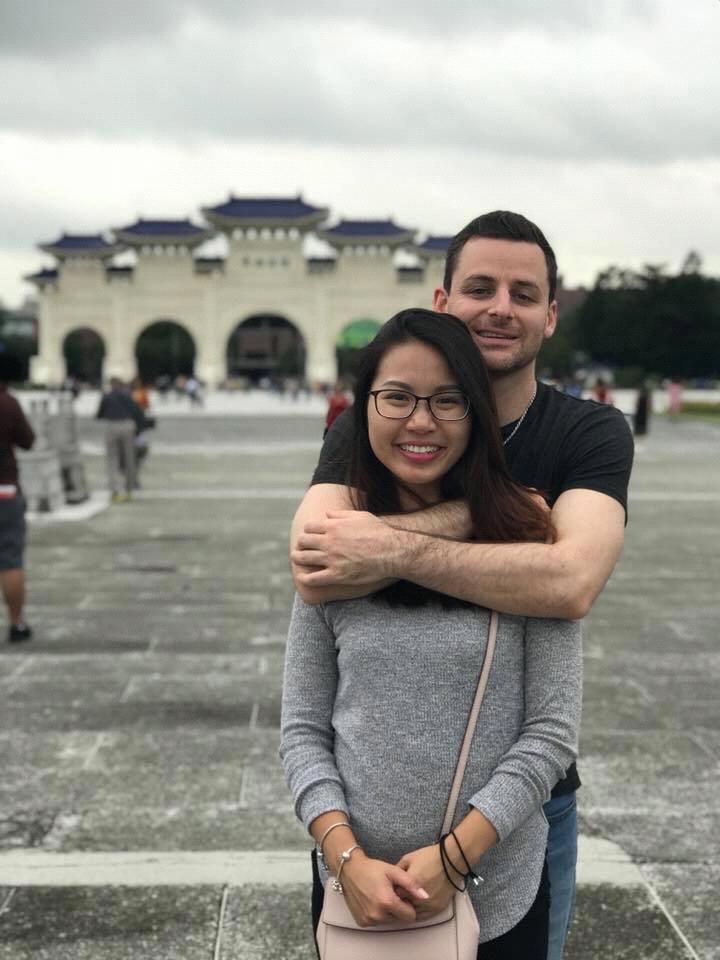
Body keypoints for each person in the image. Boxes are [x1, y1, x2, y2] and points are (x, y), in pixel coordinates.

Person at [290, 211, 634, 960]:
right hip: (356, 859)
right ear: (443, 302)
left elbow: (569, 582)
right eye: (480, 288)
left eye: (523, 293)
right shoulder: (376, 424)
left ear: (551, 313)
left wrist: (386, 545)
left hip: (518, 829)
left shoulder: (587, 433)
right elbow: (315, 561)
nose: (500, 308)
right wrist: (500, 519)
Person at [0, 362, 36, 643]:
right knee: (10, 560)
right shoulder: (7, 403)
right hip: (4, 490)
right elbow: (27, 440)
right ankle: (16, 623)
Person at [96, 377, 143, 503]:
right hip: (128, 425)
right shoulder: (128, 396)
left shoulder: (107, 396)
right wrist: (138, 431)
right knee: (129, 458)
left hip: (112, 425)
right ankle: (129, 489)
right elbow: (138, 413)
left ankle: (115, 490)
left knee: (112, 459)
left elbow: (99, 414)